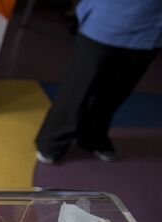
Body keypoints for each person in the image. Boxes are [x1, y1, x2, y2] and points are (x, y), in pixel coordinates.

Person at [35, 0, 161, 164]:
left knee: (117, 89)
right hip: (109, 16)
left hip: (153, 27)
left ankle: (92, 136)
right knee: (79, 87)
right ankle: (53, 141)